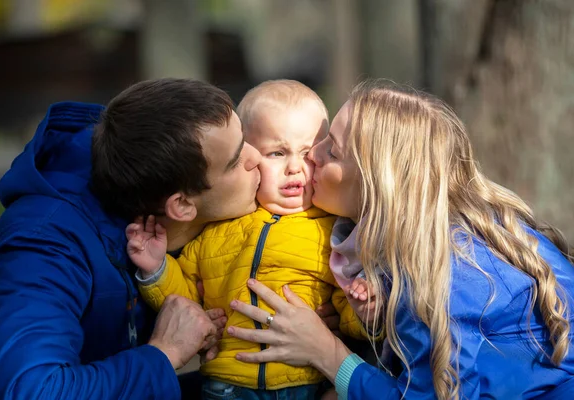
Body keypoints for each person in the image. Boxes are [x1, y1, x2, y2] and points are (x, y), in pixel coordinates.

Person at [225, 80, 574, 399]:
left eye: (330, 150)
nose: (312, 158)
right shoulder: (441, 229)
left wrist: (326, 351)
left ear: (375, 182)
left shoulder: (435, 271)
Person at [0, 78, 264, 399]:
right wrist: (166, 353)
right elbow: (33, 392)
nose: (258, 157)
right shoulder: (42, 246)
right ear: (181, 205)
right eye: (236, 160)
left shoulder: (162, 197)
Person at [126, 80, 372, 399]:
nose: (295, 168)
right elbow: (185, 304)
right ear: (249, 157)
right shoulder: (218, 229)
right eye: (277, 153)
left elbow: (346, 310)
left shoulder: (333, 232)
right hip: (226, 384)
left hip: (302, 383)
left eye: (307, 154)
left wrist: (364, 310)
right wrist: (157, 270)